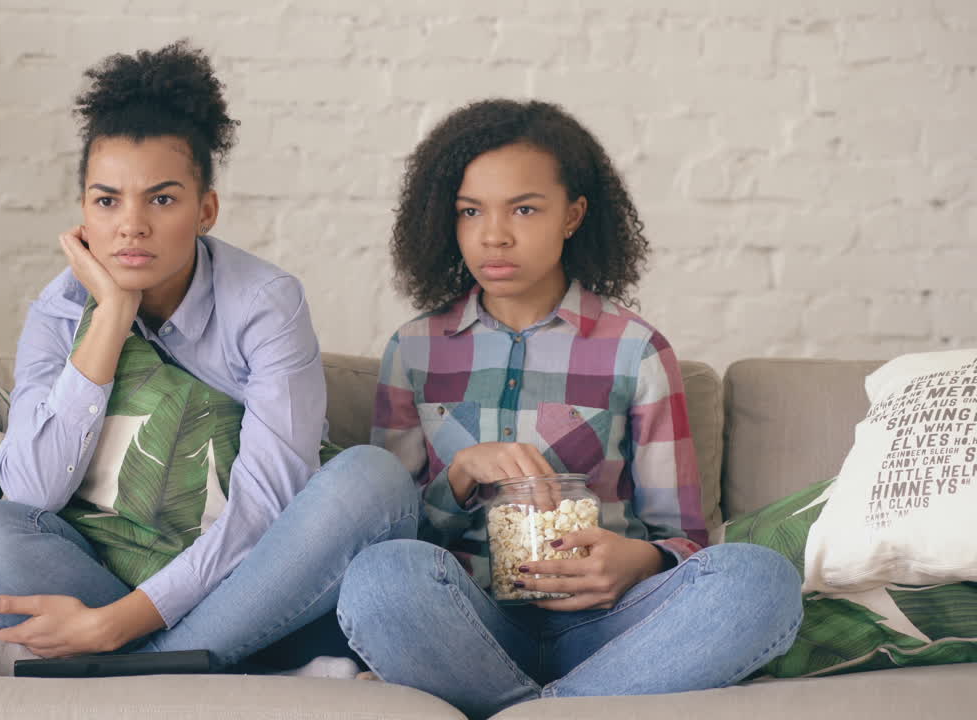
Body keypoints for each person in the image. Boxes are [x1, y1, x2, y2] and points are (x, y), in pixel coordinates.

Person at [0, 41, 417, 676]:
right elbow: (32, 490)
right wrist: (112, 312)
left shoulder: (266, 304)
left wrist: (116, 624)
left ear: (206, 210)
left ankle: (138, 664)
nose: (131, 225)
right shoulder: (60, 313)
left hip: (256, 579)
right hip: (114, 565)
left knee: (374, 480)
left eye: (161, 200)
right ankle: (243, 662)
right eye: (107, 201)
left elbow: (267, 510)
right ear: (83, 213)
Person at [336, 99, 802, 718]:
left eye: (524, 209)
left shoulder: (636, 350)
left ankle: (539, 709)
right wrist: (463, 473)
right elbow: (397, 531)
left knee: (760, 579)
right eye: (470, 211)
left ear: (573, 216)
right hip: (469, 626)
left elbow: (684, 536)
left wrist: (635, 560)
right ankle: (577, 708)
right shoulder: (415, 350)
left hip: (615, 626)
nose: (494, 235)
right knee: (381, 575)